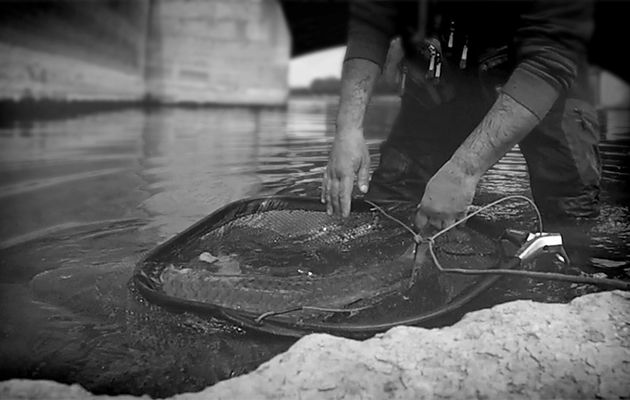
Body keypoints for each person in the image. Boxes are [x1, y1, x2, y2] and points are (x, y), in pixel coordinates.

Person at [321, 0, 602, 232]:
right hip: (446, 66)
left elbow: (550, 59)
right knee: (391, 204)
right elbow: (372, 20)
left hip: (548, 78)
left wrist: (464, 171)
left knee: (570, 215)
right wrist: (348, 130)